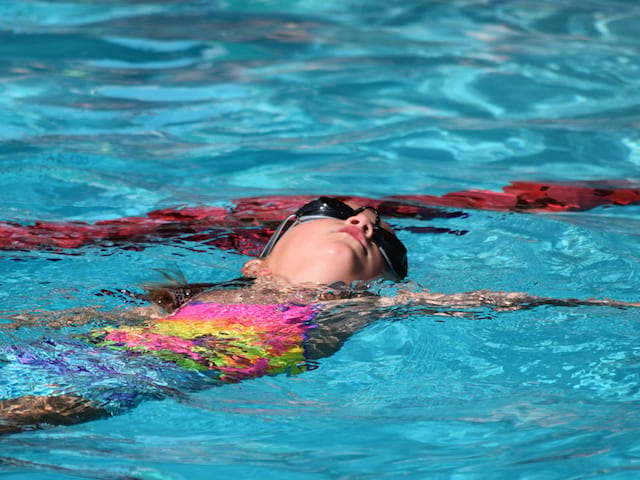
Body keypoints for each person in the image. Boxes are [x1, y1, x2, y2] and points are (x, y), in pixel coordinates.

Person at [0, 197, 637, 435]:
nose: (368, 223)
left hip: (163, 372)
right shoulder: (190, 296)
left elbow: (508, 300)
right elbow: (52, 322)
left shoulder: (370, 305)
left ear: (386, 283)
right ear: (257, 262)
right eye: (334, 211)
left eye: (389, 244)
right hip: (91, 351)